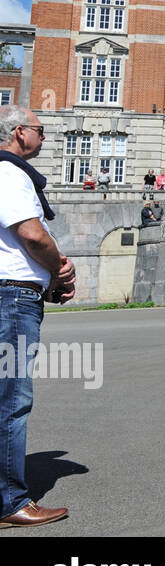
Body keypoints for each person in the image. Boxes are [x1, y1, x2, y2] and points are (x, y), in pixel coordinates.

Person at [0, 106, 75, 528]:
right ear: (19, 133)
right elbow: (30, 233)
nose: (44, 138)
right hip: (12, 297)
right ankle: (11, 502)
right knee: (12, 400)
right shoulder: (9, 173)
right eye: (41, 131)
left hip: (10, 292)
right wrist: (59, 265)